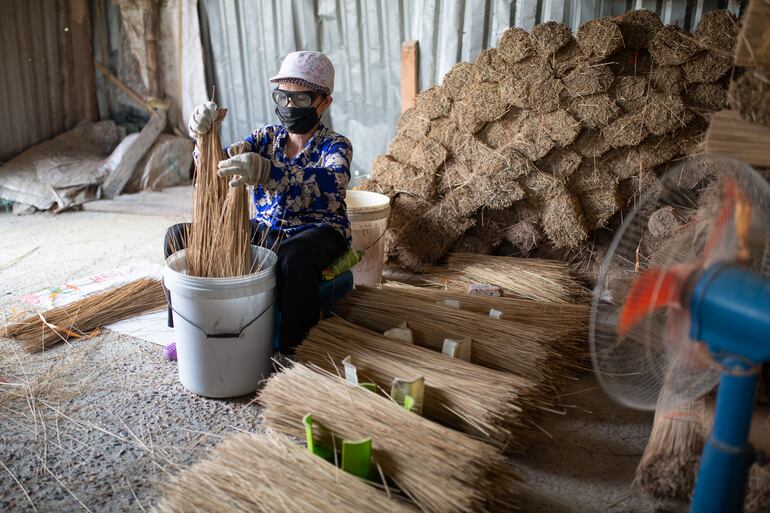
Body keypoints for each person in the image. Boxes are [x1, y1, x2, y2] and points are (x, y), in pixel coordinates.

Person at [164, 51, 352, 353]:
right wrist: (202, 138)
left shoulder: (335, 145)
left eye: (301, 99)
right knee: (178, 237)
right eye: (282, 97)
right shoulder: (264, 138)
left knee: (294, 257)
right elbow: (217, 167)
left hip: (318, 231)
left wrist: (269, 172)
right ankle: (186, 332)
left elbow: (333, 183)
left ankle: (295, 347)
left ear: (324, 102)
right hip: (267, 229)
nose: (290, 106)